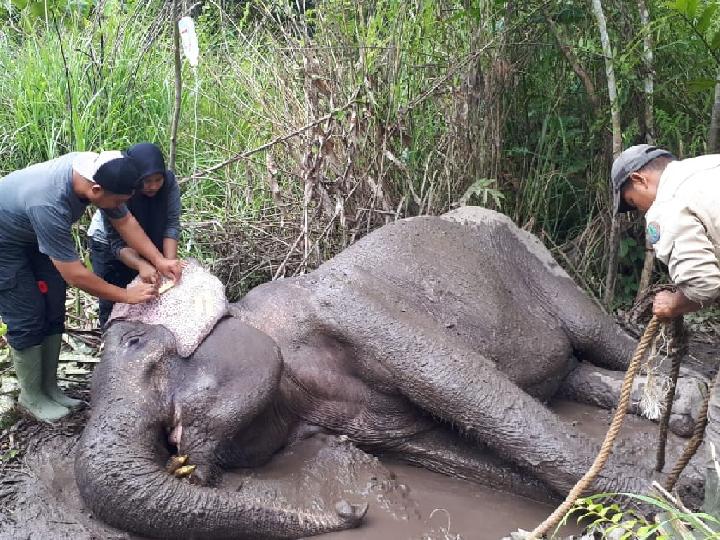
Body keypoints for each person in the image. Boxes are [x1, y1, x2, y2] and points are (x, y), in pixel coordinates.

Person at [0, 150, 183, 423]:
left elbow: (126, 221)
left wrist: (159, 261)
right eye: (118, 201)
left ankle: (50, 388)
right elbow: (76, 275)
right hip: (5, 241)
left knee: (52, 306)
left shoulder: (102, 171)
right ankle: (32, 397)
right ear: (96, 191)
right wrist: (126, 296)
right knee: (27, 314)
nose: (119, 206)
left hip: (31, 233)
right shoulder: (49, 204)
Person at [611, 143, 720, 516]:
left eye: (631, 201)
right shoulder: (709, 167)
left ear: (640, 178)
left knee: (719, 422)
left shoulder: (668, 207)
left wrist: (676, 302)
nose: (637, 210)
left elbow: (706, 285)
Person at [88, 143, 182, 327]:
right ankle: (110, 342)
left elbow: (171, 224)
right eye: (147, 181)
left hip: (146, 242)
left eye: (158, 179)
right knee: (114, 300)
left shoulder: (169, 183)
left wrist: (168, 265)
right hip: (108, 245)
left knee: (148, 296)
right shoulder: (120, 188)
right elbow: (116, 243)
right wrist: (141, 264)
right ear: (135, 179)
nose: (153, 186)